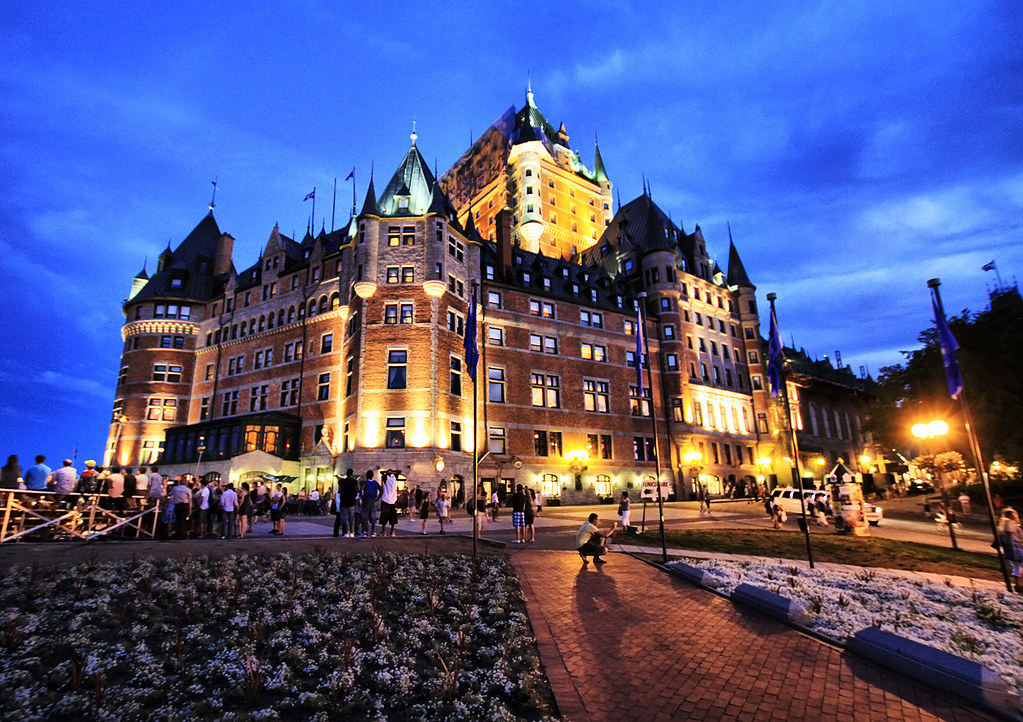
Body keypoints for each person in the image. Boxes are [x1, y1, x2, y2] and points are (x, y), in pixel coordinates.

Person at [998, 508, 1023, 593]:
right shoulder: (1011, 523)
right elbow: (1010, 537)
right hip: (1015, 547)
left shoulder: (1004, 524)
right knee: (1019, 565)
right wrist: (1013, 550)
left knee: (1016, 567)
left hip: (1011, 547)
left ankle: (1018, 585)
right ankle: (1019, 584)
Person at [334, 469, 358, 538]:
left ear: (346, 473)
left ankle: (346, 532)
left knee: (345, 517)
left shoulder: (342, 482)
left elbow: (340, 491)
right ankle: (352, 532)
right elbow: (356, 490)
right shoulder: (355, 482)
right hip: (352, 502)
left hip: (344, 501)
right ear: (352, 474)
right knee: (351, 517)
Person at [380, 469, 398, 536]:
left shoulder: (385, 478)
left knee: (384, 517)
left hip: (385, 500)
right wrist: (392, 471)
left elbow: (381, 472)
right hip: (393, 501)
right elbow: (399, 472)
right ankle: (392, 530)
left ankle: (383, 530)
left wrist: (387, 472)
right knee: (393, 517)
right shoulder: (393, 478)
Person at [363, 469, 380, 537]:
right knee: (373, 515)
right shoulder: (375, 483)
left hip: (366, 499)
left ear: (367, 475)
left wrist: (362, 497)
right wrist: (378, 498)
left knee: (365, 515)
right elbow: (381, 490)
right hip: (373, 500)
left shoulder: (365, 482)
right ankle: (373, 531)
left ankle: (365, 531)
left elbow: (361, 489)